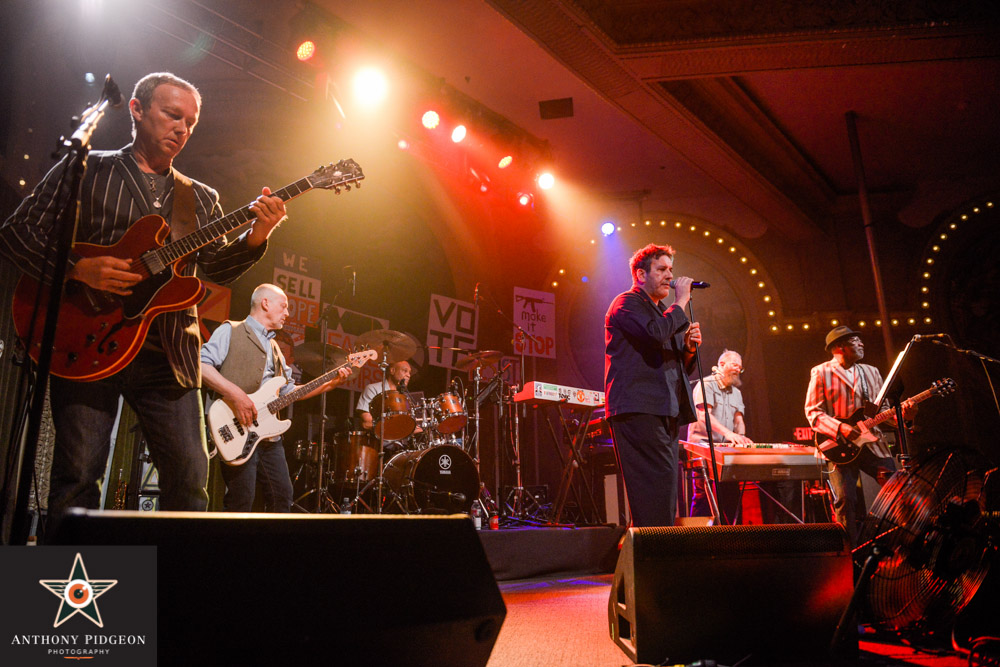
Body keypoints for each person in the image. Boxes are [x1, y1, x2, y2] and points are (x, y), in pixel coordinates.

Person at [0, 72, 289, 524]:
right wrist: (78, 269)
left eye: (190, 123)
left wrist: (259, 233)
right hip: (88, 344)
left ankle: (171, 588)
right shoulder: (88, 169)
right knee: (77, 477)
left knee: (191, 483)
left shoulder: (201, 198)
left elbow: (214, 268)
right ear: (136, 109)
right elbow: (16, 233)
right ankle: (75, 590)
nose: (182, 129)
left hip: (167, 355)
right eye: (172, 115)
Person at [201, 284, 350, 512]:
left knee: (283, 497)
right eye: (284, 306)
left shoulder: (276, 349)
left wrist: (331, 384)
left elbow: (289, 392)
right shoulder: (231, 330)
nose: (287, 313)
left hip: (269, 439)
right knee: (241, 500)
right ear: (265, 303)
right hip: (236, 428)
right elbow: (201, 366)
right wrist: (236, 394)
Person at [605, 243, 702, 527]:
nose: (669, 276)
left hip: (665, 409)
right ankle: (652, 555)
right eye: (661, 269)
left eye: (670, 269)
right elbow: (654, 334)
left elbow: (675, 367)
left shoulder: (661, 313)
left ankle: (659, 551)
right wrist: (681, 301)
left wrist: (688, 349)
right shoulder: (627, 303)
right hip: (638, 408)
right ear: (640, 274)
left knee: (665, 489)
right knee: (652, 489)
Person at [804, 326, 916, 544]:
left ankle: (906, 542)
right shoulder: (821, 372)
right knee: (846, 501)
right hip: (838, 446)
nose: (862, 344)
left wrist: (905, 416)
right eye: (855, 340)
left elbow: (883, 411)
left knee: (898, 491)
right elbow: (813, 412)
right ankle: (851, 555)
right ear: (839, 347)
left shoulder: (871, 371)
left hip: (872, 443)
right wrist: (841, 428)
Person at [686, 350, 752, 520]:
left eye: (740, 368)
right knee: (704, 494)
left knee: (731, 491)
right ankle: (697, 538)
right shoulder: (706, 384)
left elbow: (739, 420)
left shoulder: (736, 392)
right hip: (702, 446)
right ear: (721, 364)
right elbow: (703, 415)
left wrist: (742, 438)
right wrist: (730, 434)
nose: (738, 369)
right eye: (734, 365)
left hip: (724, 448)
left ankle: (735, 536)